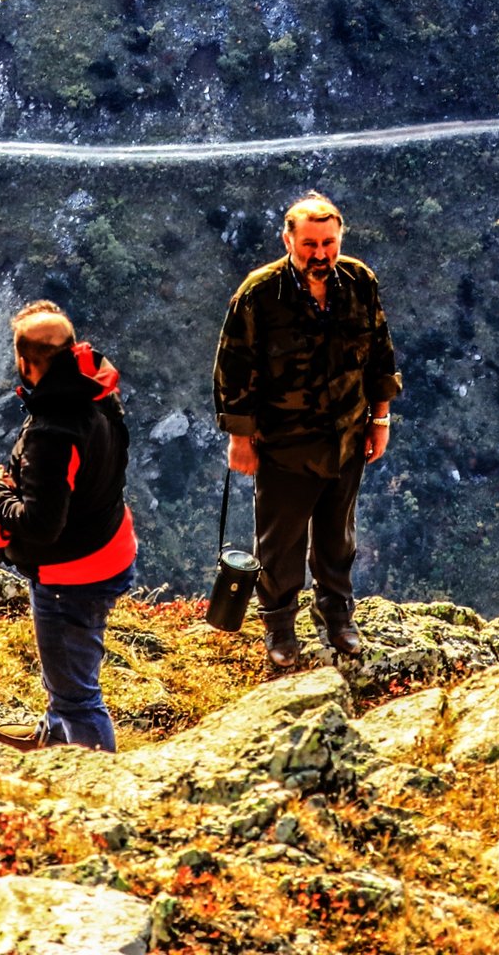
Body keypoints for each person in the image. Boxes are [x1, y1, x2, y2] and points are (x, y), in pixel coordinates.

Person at [213, 191, 398, 674]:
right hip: (285, 445)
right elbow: (232, 371)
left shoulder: (359, 282)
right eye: (310, 244)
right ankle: (279, 626)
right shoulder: (259, 295)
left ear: (340, 240)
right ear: (288, 240)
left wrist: (380, 419)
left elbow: (380, 354)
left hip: (347, 438)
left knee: (339, 537)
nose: (320, 254)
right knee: (281, 541)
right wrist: (239, 438)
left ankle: (337, 615)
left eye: (329, 243)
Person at [0, 300, 137, 750]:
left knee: (78, 696)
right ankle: (56, 734)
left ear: (24, 362)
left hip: (72, 573)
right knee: (65, 663)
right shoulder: (96, 391)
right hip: (108, 544)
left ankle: (93, 786)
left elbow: (41, 526)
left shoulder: (51, 433)